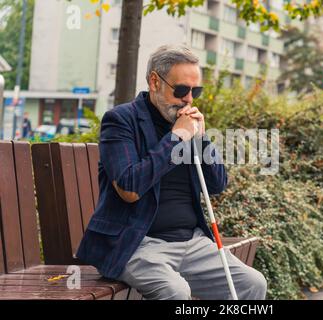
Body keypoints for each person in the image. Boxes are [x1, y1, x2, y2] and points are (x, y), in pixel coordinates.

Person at [75, 45, 267, 300]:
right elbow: (129, 188)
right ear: (155, 81)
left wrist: (200, 139)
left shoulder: (188, 125)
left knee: (252, 284)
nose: (189, 99)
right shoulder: (120, 120)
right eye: (181, 90)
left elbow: (217, 184)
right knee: (175, 292)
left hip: (192, 242)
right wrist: (177, 137)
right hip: (137, 244)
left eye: (195, 91)